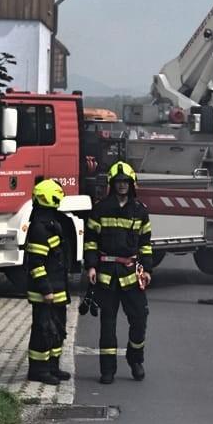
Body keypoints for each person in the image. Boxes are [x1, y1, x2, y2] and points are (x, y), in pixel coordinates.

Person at [84, 161, 153, 384]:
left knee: (140, 319)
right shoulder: (101, 209)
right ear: (112, 184)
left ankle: (135, 359)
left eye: (126, 182)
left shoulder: (140, 211)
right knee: (108, 323)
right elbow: (91, 241)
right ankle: (107, 370)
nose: (122, 185)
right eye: (118, 182)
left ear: (131, 184)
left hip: (131, 275)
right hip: (107, 276)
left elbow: (145, 244)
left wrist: (148, 270)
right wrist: (91, 266)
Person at [24, 179, 72, 385]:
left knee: (57, 328)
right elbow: (36, 263)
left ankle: (53, 366)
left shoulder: (51, 223)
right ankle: (38, 369)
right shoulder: (40, 228)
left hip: (57, 288)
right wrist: (46, 290)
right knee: (43, 330)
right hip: (46, 291)